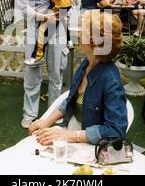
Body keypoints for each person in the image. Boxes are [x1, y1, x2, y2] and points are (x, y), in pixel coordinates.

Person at [28, 11, 127, 145]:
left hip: (90, 146)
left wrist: (69, 136)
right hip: (72, 130)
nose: (79, 35)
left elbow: (116, 130)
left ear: (95, 43)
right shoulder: (86, 64)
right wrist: (45, 122)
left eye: (84, 33)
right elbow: (71, 101)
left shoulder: (111, 79)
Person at [15, 0, 69, 129]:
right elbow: (23, 7)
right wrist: (44, 16)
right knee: (32, 73)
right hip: (35, 28)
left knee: (56, 75)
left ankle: (53, 115)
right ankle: (29, 115)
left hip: (57, 28)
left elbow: (68, 0)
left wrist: (60, 16)